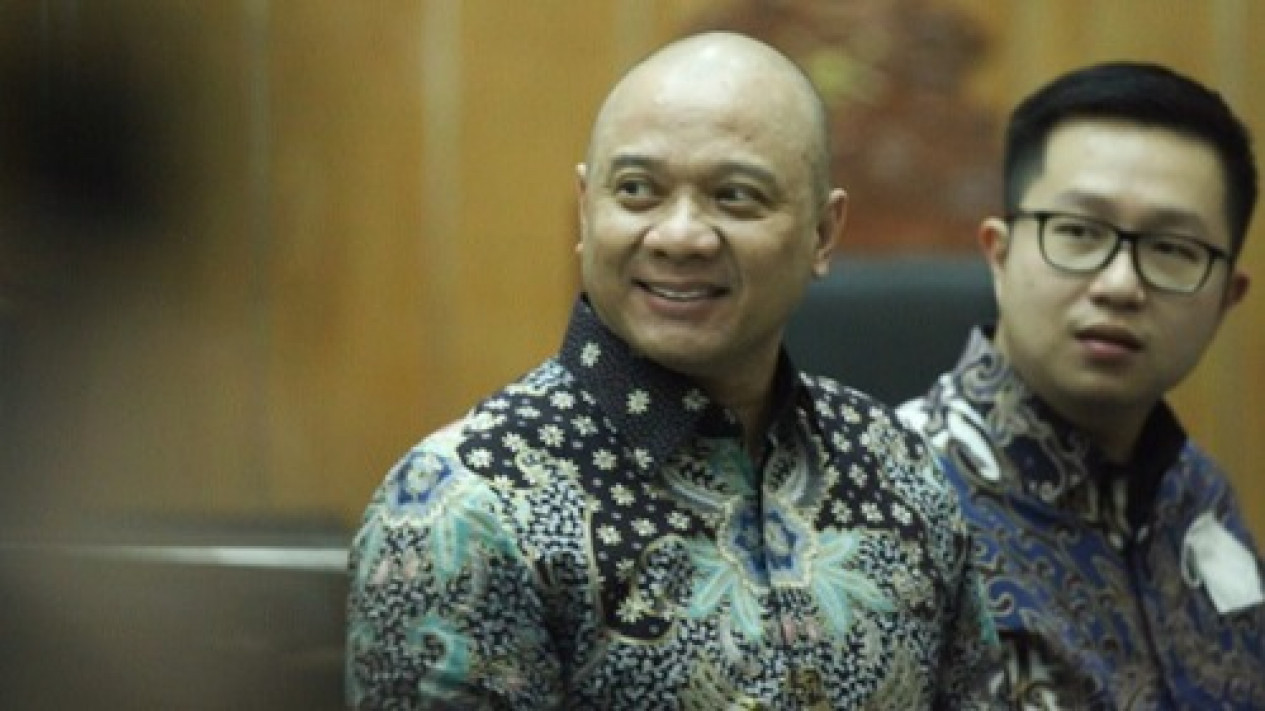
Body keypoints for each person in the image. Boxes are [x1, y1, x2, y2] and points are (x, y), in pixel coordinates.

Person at [346, 31, 999, 709]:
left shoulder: (898, 467)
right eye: (637, 191)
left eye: (735, 196)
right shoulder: (465, 508)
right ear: (586, 209)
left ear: (822, 232)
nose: (680, 235)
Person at [898, 61, 1265, 709]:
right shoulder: (888, 503)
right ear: (999, 255)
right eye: (1078, 232)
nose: (1119, 284)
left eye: (1172, 248)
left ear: (1225, 299)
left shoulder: (1197, 491)